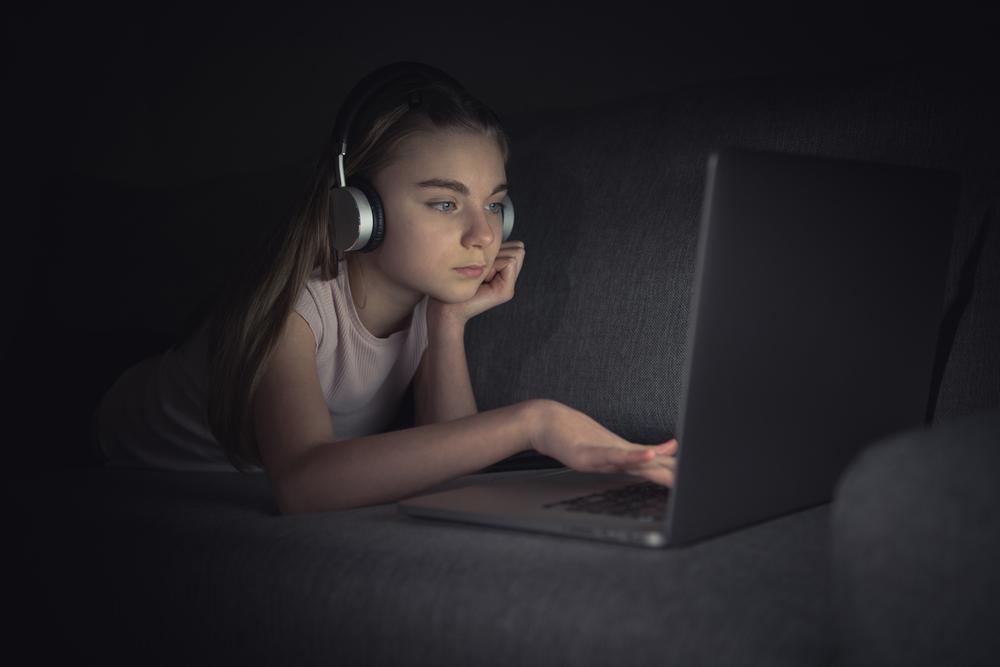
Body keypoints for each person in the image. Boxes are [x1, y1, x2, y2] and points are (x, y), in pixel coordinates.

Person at [95, 62, 678, 514]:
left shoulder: (430, 299)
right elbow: (304, 485)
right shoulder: (295, 309)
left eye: (495, 204)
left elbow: (451, 472)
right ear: (359, 212)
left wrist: (448, 324)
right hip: (92, 416)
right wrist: (536, 422)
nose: (482, 234)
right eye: (445, 202)